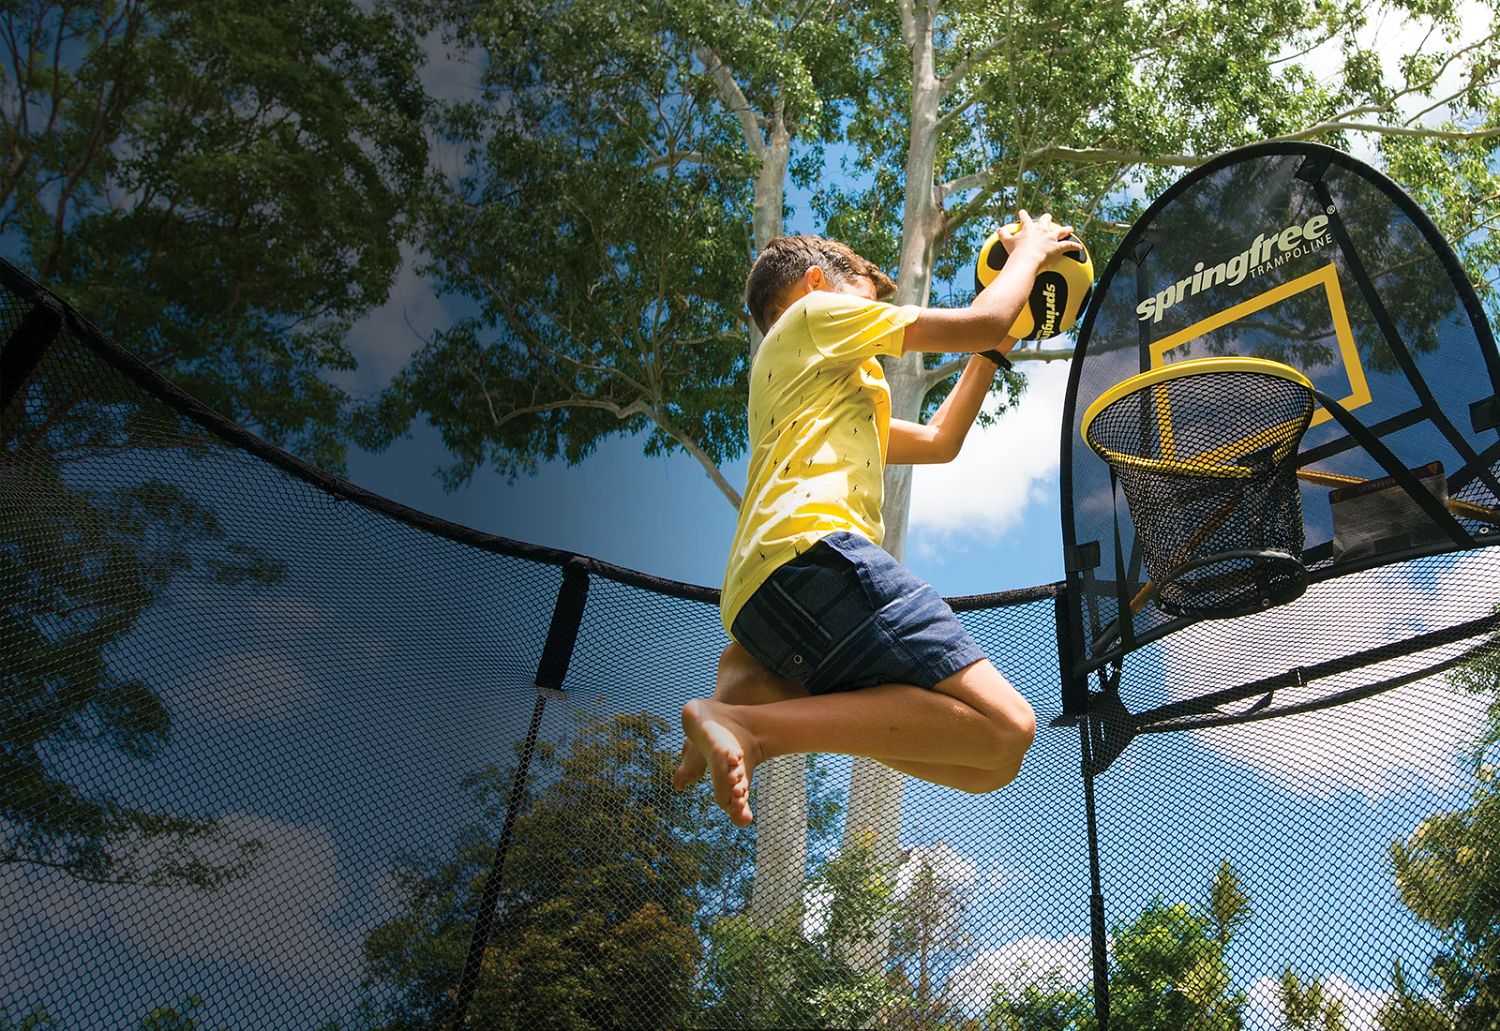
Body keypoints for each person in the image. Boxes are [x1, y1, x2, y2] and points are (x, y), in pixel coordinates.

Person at [673, 211, 1083, 827]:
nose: (871, 326)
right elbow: (983, 320)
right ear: (815, 285)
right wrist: (1027, 256)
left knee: (990, 759)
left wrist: (1000, 345)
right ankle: (750, 726)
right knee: (1011, 723)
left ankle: (749, 709)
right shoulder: (811, 318)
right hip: (822, 557)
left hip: (762, 601)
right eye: (864, 306)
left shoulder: (817, 393)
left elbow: (942, 440)